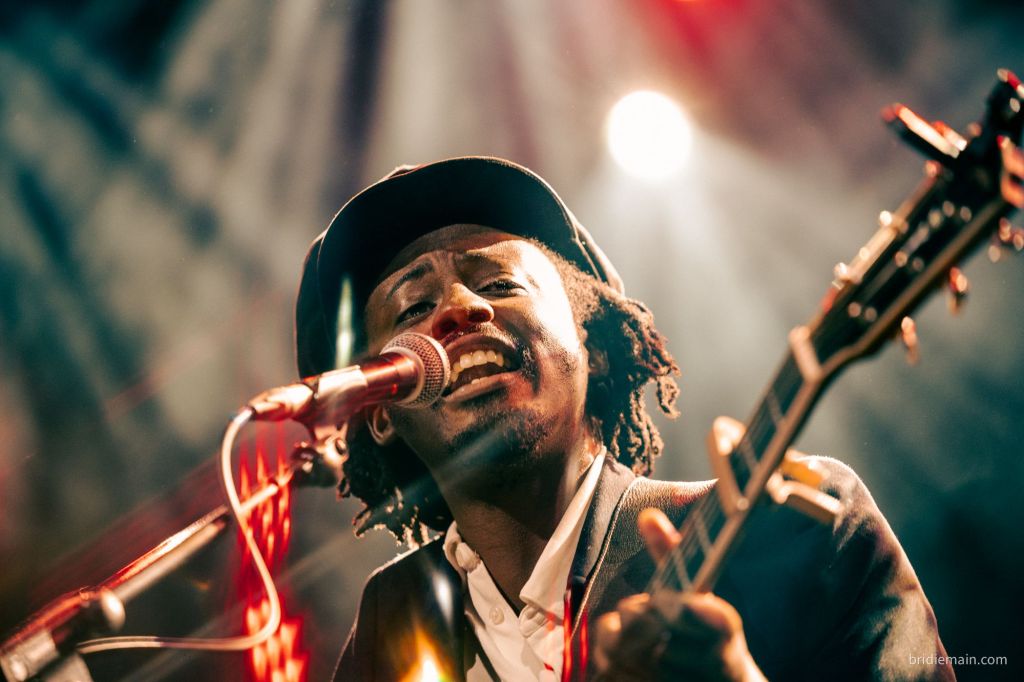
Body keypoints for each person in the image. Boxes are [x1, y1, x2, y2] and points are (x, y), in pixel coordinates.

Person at [294, 156, 955, 681]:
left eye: (499, 284)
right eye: (413, 309)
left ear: (598, 349)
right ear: (379, 416)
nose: (460, 307)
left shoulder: (796, 525)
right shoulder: (391, 625)